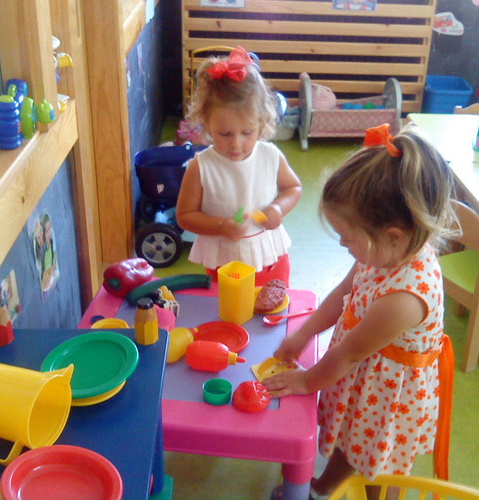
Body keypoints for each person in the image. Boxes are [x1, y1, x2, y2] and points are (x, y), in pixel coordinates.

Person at [263, 124, 457, 500]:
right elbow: (342, 294)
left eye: (348, 237)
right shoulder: (383, 253)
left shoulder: (405, 297)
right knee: (352, 437)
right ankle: (327, 485)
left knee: (380, 465)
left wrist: (307, 382)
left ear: (393, 235)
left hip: (388, 394)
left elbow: (350, 352)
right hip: (364, 377)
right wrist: (304, 334)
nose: (342, 243)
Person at [176, 46, 302, 287]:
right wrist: (221, 226)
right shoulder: (201, 167)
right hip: (225, 261)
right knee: (229, 312)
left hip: (269, 256)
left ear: (262, 121)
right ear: (206, 122)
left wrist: (278, 208)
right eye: (224, 134)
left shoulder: (270, 156)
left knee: (271, 310)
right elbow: (185, 216)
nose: (236, 144)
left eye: (247, 132)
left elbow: (293, 188)